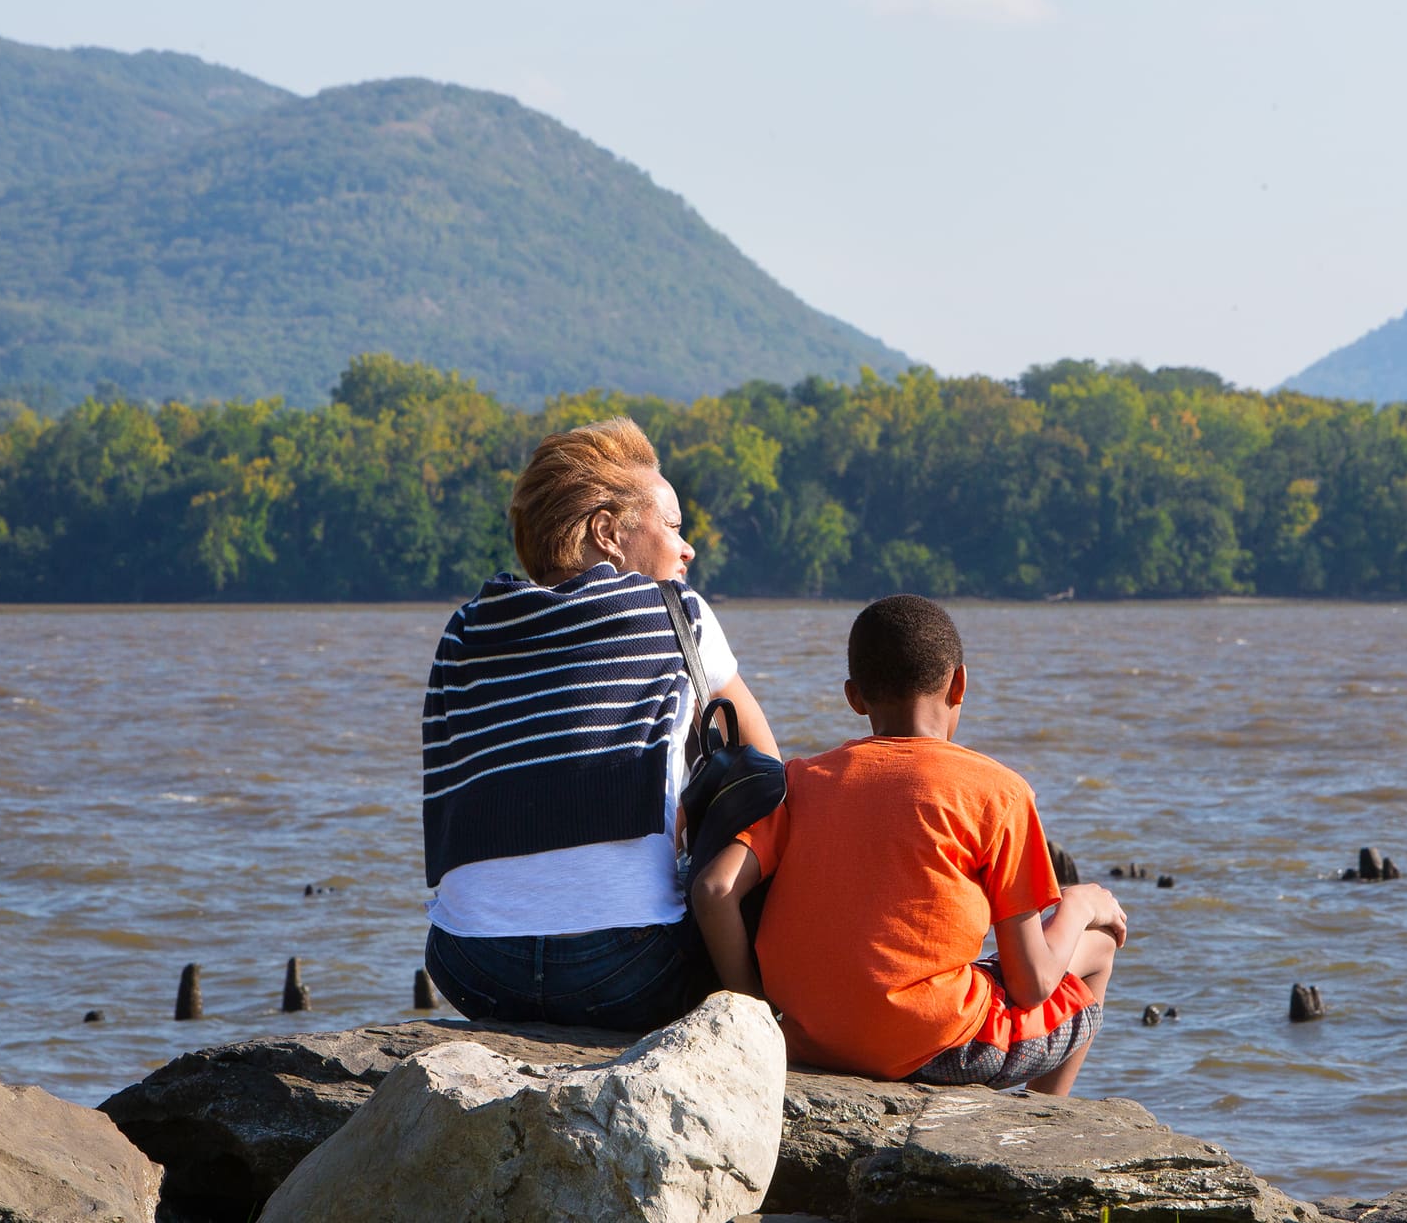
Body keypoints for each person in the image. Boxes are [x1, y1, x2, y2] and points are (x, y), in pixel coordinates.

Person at [421, 416, 777, 1030]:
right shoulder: (676, 609)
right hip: (626, 969)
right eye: (673, 527)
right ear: (608, 532)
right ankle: (759, 1023)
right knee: (748, 856)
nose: (687, 549)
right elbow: (767, 770)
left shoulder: (465, 629)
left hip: (468, 966)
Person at [692, 594, 1124, 1094]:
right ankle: (1045, 1124)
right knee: (1099, 945)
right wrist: (1079, 904)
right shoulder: (999, 792)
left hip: (809, 1040)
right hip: (939, 1047)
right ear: (959, 683)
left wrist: (759, 1016)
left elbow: (714, 891)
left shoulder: (801, 781)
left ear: (854, 697)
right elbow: (1032, 985)